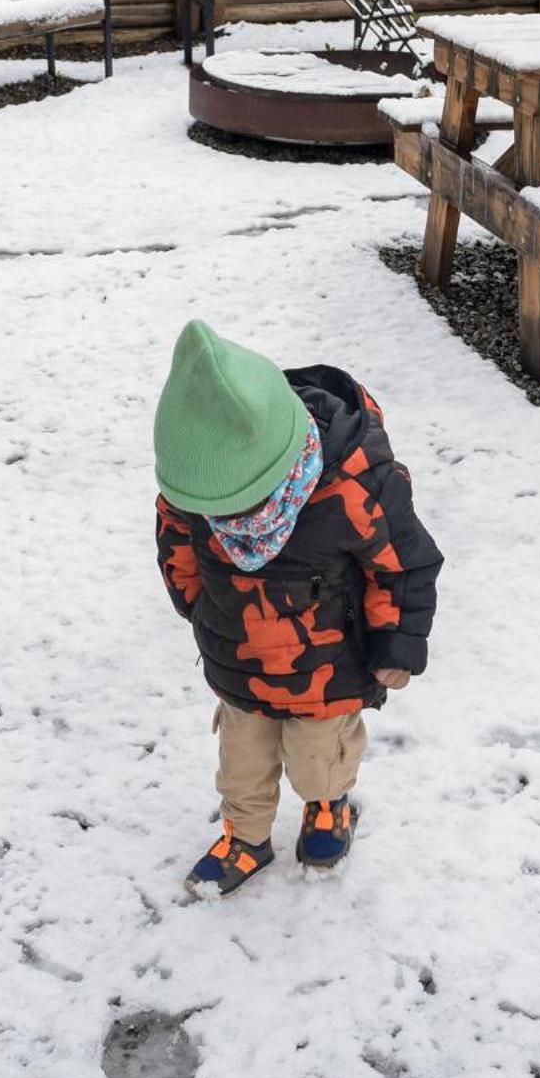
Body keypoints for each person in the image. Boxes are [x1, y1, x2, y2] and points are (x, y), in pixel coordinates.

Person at [152, 320, 442, 896]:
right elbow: (177, 547)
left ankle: (329, 806)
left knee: (319, 759)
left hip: (329, 672)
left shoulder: (353, 489)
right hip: (239, 665)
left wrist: (396, 646)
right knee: (241, 764)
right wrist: (201, 609)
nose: (225, 523)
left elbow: (402, 567)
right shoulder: (197, 483)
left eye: (236, 509)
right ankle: (246, 836)